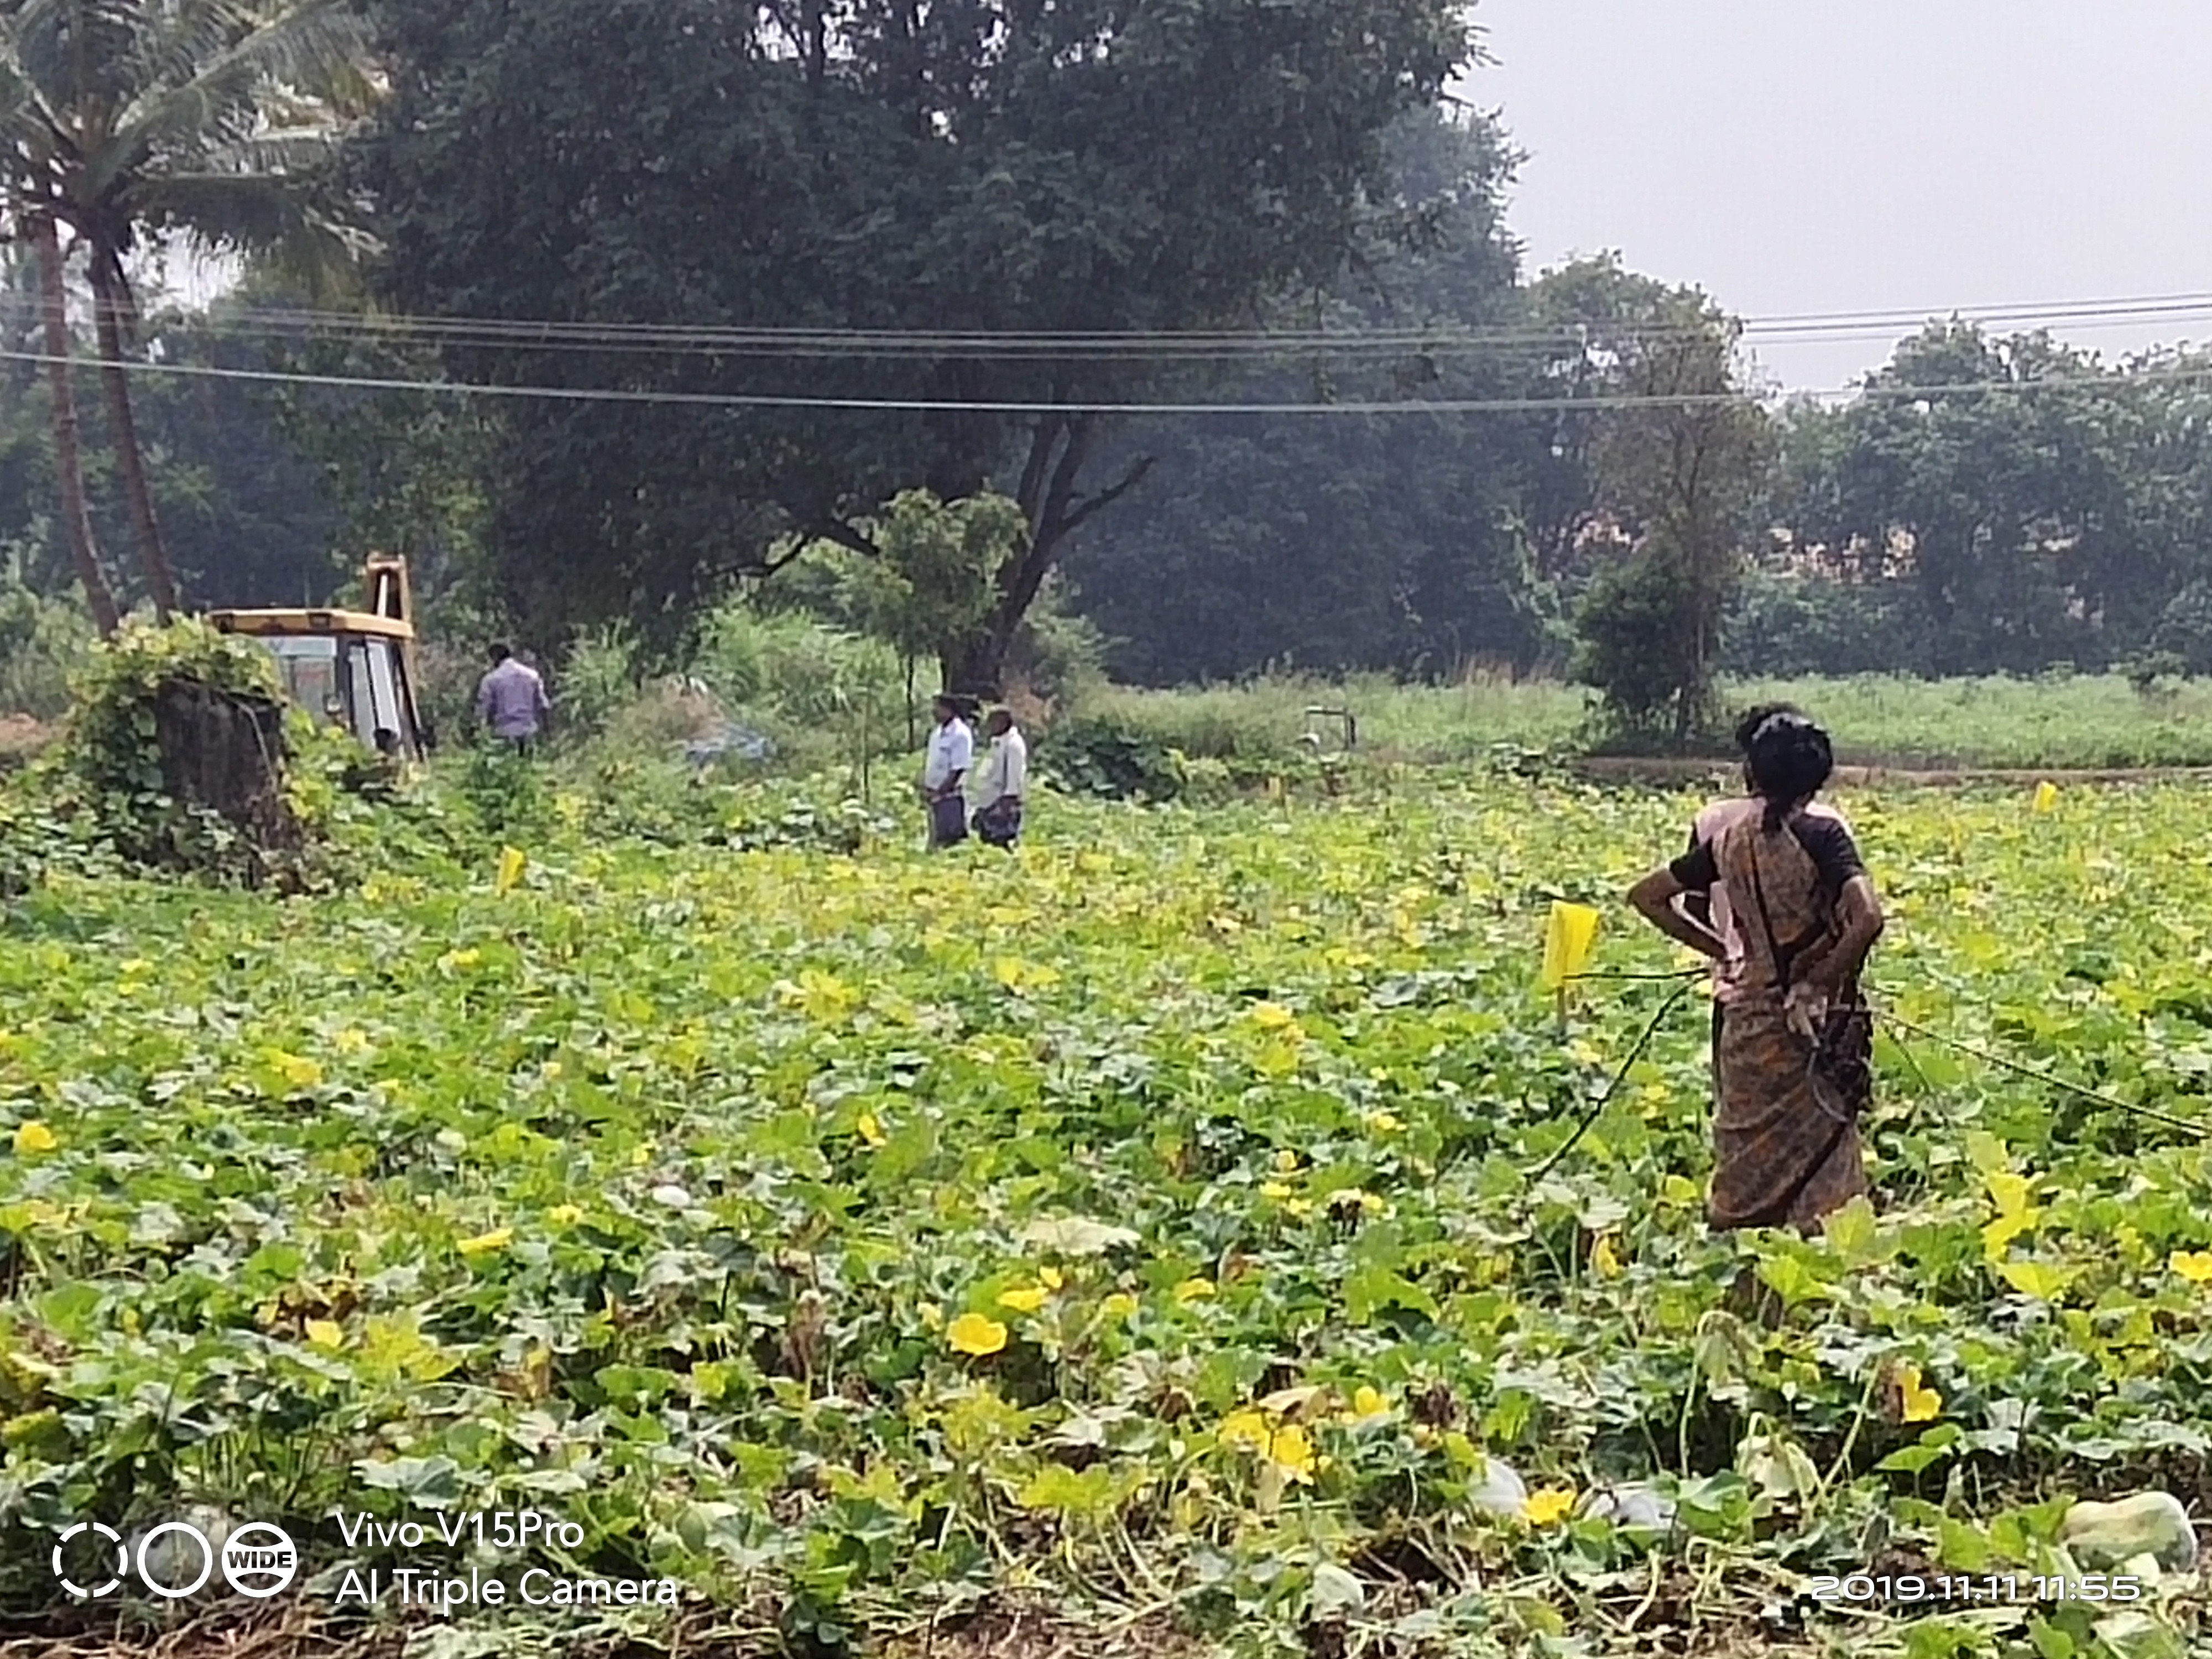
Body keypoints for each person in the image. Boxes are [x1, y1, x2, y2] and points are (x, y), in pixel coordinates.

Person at [1627, 712, 1885, 1236]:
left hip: (1748, 1025)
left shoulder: (1729, 841)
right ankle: (1822, 1272)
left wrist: (1723, 951)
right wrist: (1817, 983)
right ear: (1817, 777)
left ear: (1755, 773)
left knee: (1746, 1155)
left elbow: (1647, 897)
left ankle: (1745, 1272)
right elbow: (1868, 918)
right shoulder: (1823, 833)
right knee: (1826, 1163)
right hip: (1813, 1024)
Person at [920, 693, 973, 849]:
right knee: (936, 839)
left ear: (949, 710)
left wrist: (941, 793)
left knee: (951, 841)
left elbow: (958, 768)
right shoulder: (936, 733)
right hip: (933, 796)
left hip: (949, 797)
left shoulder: (960, 734)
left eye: (938, 707)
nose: (934, 711)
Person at [476, 643, 551, 754]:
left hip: (503, 732)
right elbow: (543, 705)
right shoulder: (532, 675)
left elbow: (484, 708)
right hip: (529, 730)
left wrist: (481, 730)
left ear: (494, 658)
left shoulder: (491, 679)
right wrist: (546, 732)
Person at [968, 708, 1027, 849]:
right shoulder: (997, 743)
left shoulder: (1013, 745)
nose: (989, 726)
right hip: (987, 804)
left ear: (1002, 722)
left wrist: (1006, 805)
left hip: (1001, 806)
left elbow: (1014, 776)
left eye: (992, 722)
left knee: (999, 846)